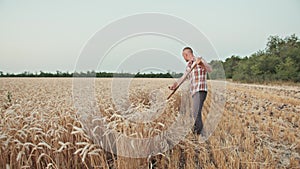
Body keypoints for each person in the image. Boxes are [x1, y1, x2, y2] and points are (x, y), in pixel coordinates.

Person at [169, 47, 212, 136]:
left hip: (200, 90)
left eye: (183, 56)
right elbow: (183, 77)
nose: (183, 58)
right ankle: (198, 133)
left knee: (195, 114)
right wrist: (175, 85)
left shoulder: (199, 60)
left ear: (186, 54)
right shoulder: (189, 65)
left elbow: (209, 70)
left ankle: (199, 134)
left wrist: (201, 64)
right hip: (194, 92)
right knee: (195, 113)